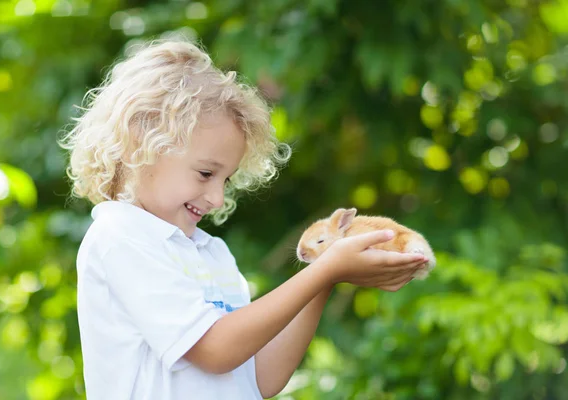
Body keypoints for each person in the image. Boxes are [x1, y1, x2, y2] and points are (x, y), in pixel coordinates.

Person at [60, 38, 428, 400]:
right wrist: (326, 270)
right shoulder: (121, 237)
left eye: (227, 180)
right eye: (206, 173)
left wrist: (324, 275)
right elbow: (215, 351)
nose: (218, 198)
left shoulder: (211, 252)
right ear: (142, 145)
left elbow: (261, 378)